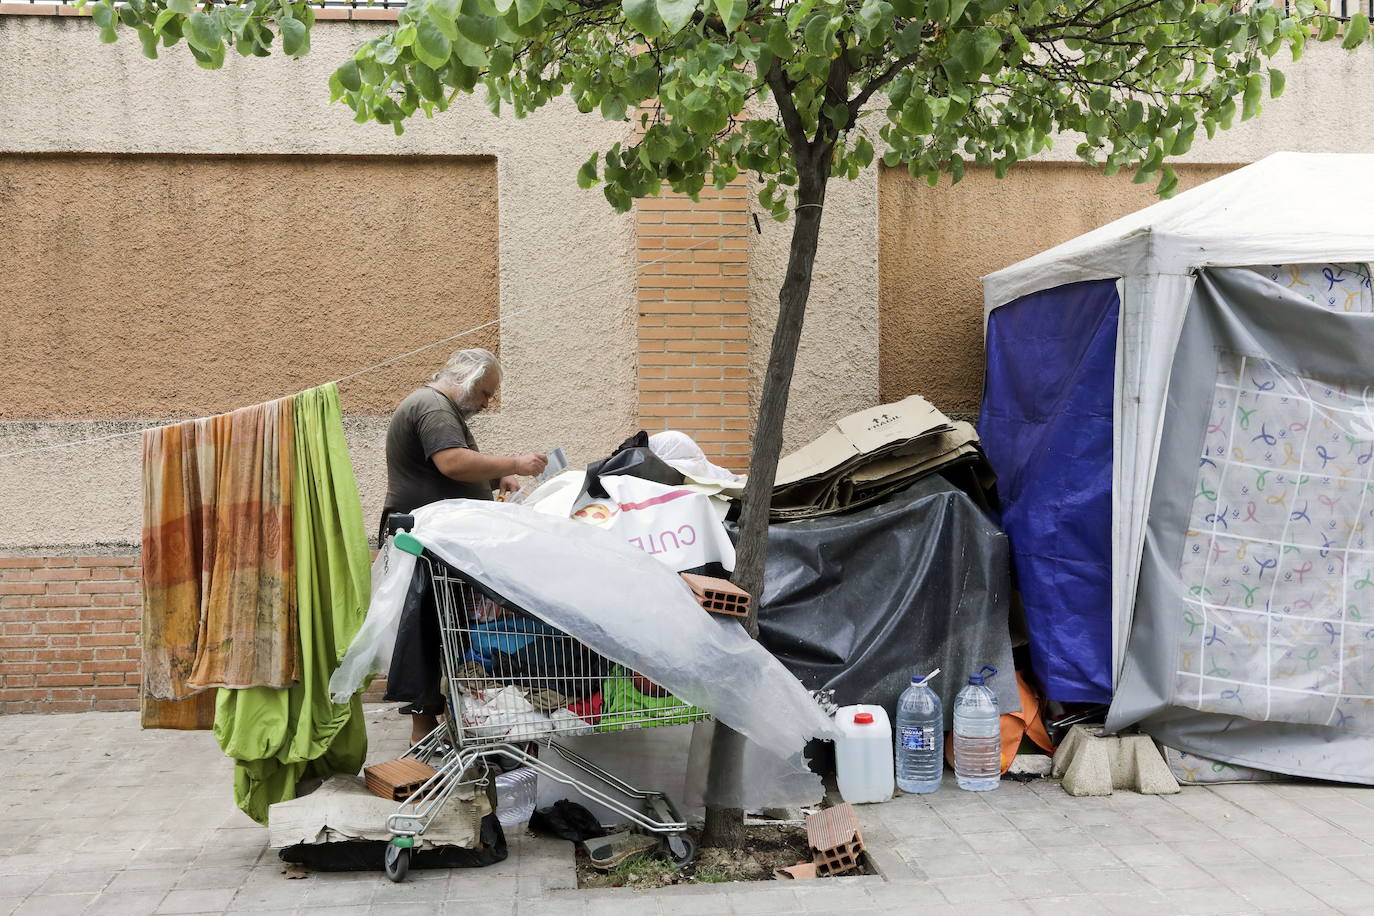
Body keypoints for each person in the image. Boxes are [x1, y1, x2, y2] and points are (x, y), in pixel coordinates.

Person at [381, 347, 547, 743]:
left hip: (435, 541)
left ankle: (437, 722)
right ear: (467, 381)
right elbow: (452, 463)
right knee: (427, 632)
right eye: (487, 394)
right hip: (426, 544)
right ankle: (422, 730)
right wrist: (514, 464)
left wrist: (493, 482)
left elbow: (451, 469)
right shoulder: (434, 407)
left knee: (440, 630)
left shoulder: (438, 407)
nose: (488, 403)